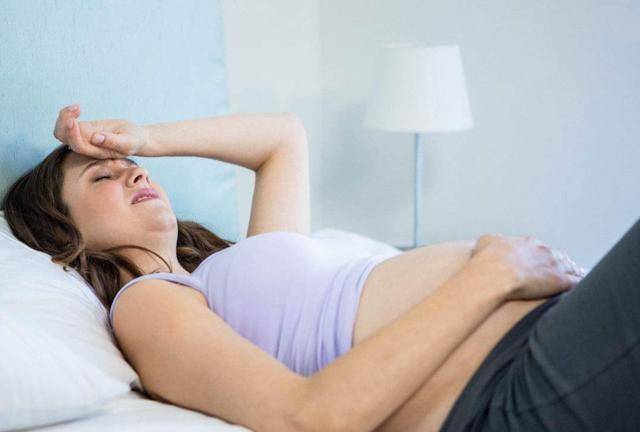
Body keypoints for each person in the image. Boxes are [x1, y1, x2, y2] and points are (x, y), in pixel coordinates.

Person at [2, 103, 632, 432]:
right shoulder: (147, 302)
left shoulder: (227, 274)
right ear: (64, 229)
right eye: (101, 177)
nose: (134, 172)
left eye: (134, 166)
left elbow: (283, 138)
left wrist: (145, 137)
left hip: (539, 348)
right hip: (505, 390)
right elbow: (307, 418)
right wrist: (492, 275)